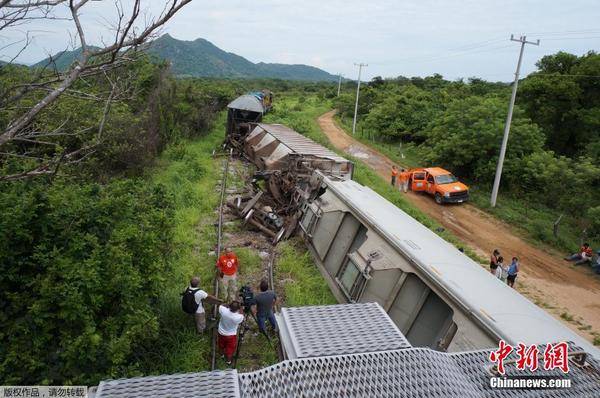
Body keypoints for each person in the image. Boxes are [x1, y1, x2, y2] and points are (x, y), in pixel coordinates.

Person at [217, 301, 244, 366]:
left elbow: (221, 305)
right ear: (237, 309)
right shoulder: (238, 317)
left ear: (229, 306)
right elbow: (242, 315)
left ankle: (222, 355)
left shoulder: (223, 310)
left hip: (221, 332)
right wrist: (241, 309)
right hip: (231, 335)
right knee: (230, 349)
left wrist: (227, 304)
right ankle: (228, 361)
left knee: (221, 345)